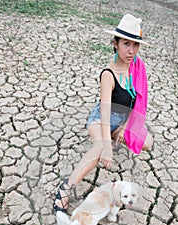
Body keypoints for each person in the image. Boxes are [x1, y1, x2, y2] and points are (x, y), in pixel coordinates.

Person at [53, 14, 153, 213]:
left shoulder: (136, 66)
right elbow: (105, 113)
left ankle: (116, 134)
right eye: (126, 44)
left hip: (122, 120)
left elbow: (136, 101)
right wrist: (107, 147)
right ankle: (64, 190)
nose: (131, 50)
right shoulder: (108, 74)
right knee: (99, 147)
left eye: (135, 45)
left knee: (148, 142)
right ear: (115, 44)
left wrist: (125, 127)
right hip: (101, 118)